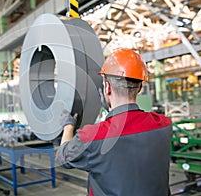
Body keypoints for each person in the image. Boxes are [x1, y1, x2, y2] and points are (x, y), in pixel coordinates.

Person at [56, 48, 172, 196]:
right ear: (140, 87)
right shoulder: (164, 124)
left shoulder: (93, 136)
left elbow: (62, 157)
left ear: (107, 87)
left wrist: (68, 126)